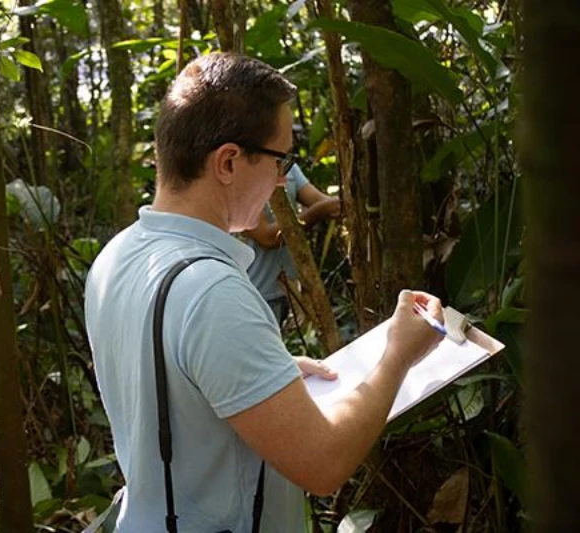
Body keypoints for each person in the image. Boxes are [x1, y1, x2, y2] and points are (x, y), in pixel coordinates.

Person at [84, 52, 442, 532]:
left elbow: (165, 381)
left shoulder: (116, 256)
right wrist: (399, 355)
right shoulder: (212, 292)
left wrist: (262, 377)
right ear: (228, 162)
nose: (282, 179)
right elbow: (323, 463)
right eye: (280, 160)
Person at [243, 163, 341, 325]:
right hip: (255, 293)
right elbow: (267, 237)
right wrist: (319, 211)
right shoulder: (243, 170)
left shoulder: (289, 167)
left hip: (288, 292)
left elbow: (325, 203)